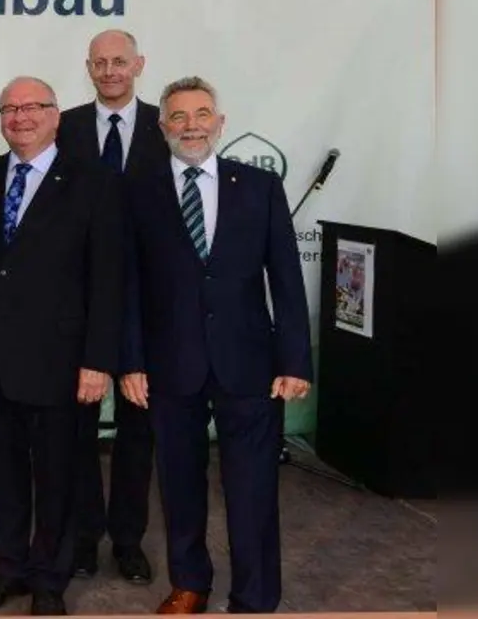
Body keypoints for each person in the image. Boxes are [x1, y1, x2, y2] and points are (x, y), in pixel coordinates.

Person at [119, 76, 312, 615]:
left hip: (249, 363)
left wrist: (295, 358)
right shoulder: (139, 190)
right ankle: (190, 584)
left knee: (252, 492)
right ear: (162, 128)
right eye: (178, 117)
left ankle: (254, 597)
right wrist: (130, 360)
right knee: (179, 486)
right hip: (167, 364)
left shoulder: (259, 187)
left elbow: (287, 279)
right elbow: (128, 283)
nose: (191, 126)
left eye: (202, 114)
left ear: (220, 123)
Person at [0, 76, 123, 617]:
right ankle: (9, 569)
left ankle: (49, 580)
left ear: (55, 114)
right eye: (9, 109)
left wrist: (99, 360)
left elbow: (108, 279)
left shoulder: (95, 182)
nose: (20, 117)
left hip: (63, 363)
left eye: (32, 107)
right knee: (2, 476)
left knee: (59, 476)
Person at [56, 29, 164, 585]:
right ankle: (82, 537)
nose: (110, 70)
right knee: (75, 427)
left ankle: (127, 539)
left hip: (148, 307)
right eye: (100, 62)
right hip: (80, 304)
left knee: (137, 431)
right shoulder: (64, 127)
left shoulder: (164, 127)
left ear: (138, 64)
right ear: (88, 68)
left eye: (119, 61)